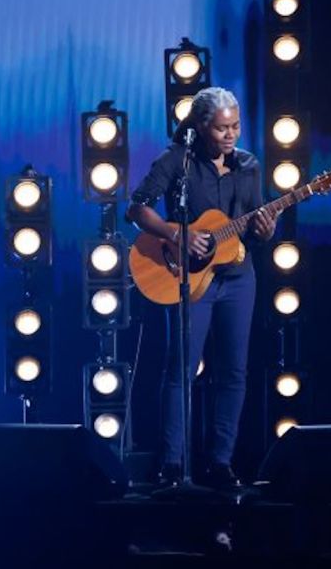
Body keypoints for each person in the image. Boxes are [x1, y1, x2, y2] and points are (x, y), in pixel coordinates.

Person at [127, 86, 278, 490]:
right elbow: (137, 207)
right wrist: (177, 233)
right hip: (188, 279)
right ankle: (173, 464)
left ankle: (221, 463)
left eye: (236, 126)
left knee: (234, 372)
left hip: (237, 278)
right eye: (222, 128)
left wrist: (266, 228)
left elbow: (252, 222)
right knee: (181, 370)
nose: (231, 135)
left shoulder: (248, 166)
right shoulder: (178, 160)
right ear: (200, 126)